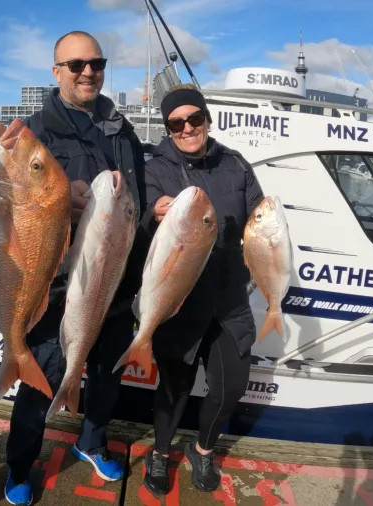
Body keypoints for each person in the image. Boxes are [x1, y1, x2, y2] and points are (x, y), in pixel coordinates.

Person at [2, 31, 149, 505]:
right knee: (42, 375)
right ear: (56, 72)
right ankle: (21, 466)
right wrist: (65, 202)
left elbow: (138, 201)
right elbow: (8, 208)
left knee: (106, 372)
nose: (88, 72)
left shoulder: (121, 127)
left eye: (97, 63)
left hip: (115, 279)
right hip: (58, 282)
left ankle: (92, 441)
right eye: (76, 64)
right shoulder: (33, 132)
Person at [140, 84, 264, 496]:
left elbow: (257, 215)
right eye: (177, 123)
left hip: (229, 299)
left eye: (195, 118)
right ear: (168, 128)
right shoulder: (154, 168)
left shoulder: (236, 163)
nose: (187, 127)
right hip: (180, 300)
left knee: (231, 388)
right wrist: (153, 211)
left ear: (207, 120)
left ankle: (202, 449)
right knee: (173, 387)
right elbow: (142, 210)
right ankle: (159, 453)